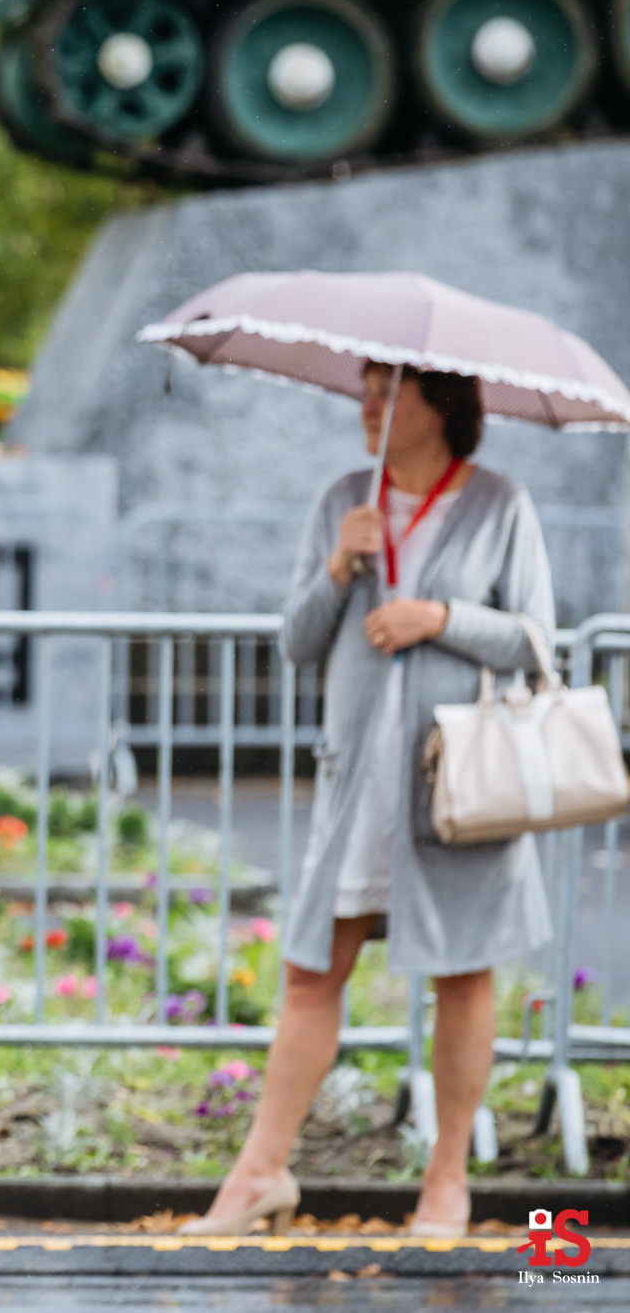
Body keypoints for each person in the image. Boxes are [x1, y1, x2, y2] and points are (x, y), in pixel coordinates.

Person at [185, 362, 553, 1239]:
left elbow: (537, 640)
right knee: (311, 972)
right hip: (358, 785)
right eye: (366, 389)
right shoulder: (344, 499)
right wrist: (336, 568)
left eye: (390, 392)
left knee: (464, 973)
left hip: (457, 788)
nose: (370, 406)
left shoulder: (500, 503)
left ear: (442, 403)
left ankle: (447, 1182)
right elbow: (297, 641)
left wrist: (440, 617)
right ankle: (259, 1173)